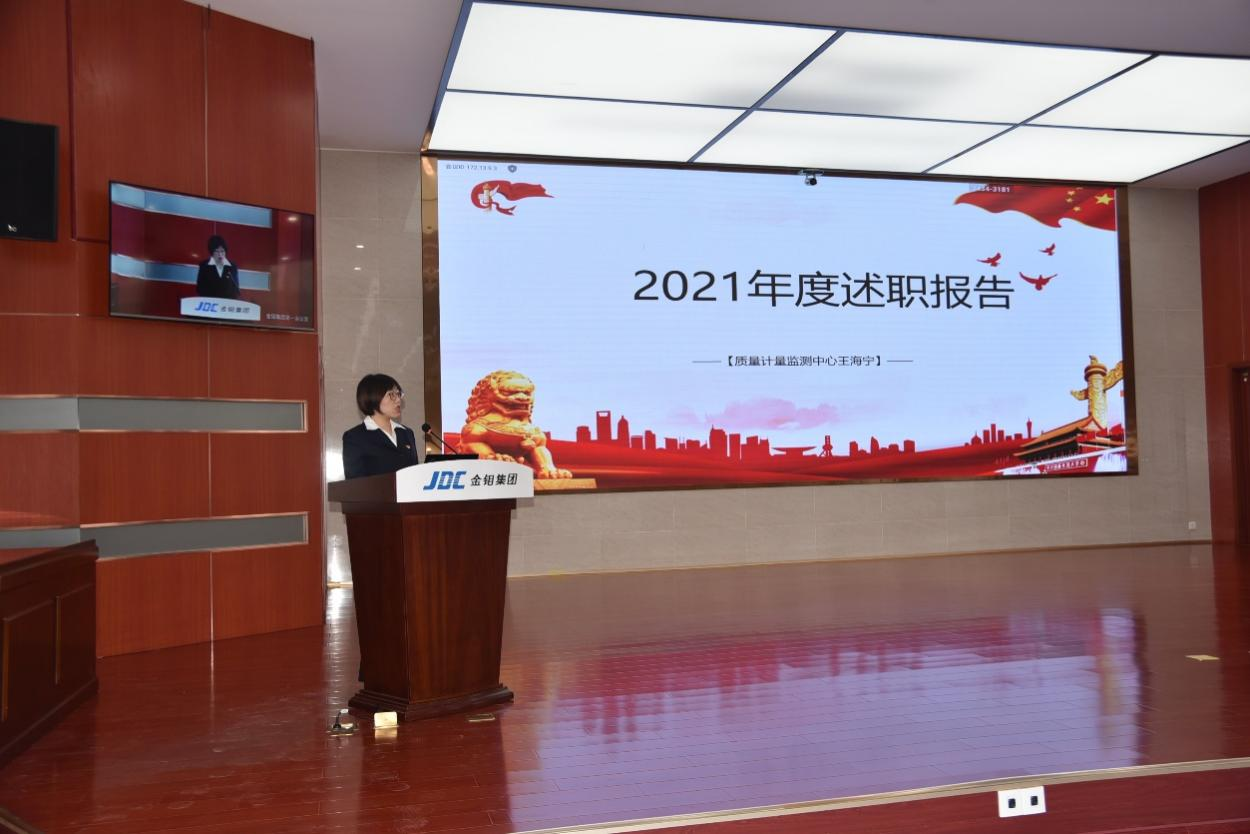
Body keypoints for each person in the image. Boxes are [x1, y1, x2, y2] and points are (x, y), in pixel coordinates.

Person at [342, 373, 419, 478]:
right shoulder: (355, 437)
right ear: (373, 397)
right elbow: (355, 484)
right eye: (391, 395)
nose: (398, 400)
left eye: (398, 394)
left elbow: (414, 474)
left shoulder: (406, 433)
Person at [195, 234, 241, 299]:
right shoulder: (204, 265)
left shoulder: (232, 267)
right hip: (210, 302)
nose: (220, 254)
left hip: (227, 302)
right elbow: (199, 288)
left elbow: (236, 289)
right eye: (217, 251)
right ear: (212, 252)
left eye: (222, 251)